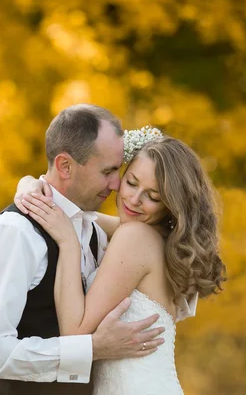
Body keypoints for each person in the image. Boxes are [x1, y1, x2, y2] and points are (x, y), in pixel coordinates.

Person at [0, 105, 166, 395]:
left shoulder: (95, 232)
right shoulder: (15, 232)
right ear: (64, 166)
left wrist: (27, 183)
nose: (116, 185)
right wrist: (91, 349)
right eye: (108, 171)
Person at [16, 132, 226, 394]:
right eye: (131, 182)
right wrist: (29, 184)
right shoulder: (161, 241)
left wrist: (68, 244)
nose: (134, 199)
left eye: (153, 197)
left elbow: (74, 333)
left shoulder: (134, 237)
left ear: (172, 206)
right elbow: (78, 217)